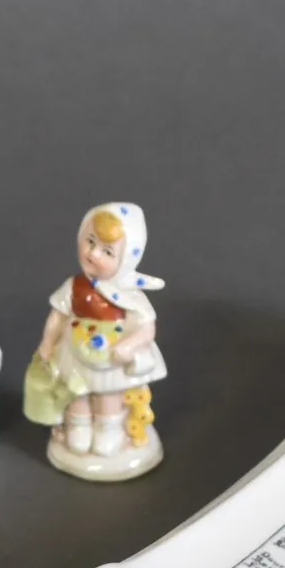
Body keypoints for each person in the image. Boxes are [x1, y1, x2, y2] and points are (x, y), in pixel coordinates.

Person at [33, 202, 167, 476]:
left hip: (111, 358)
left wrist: (129, 346)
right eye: (90, 241)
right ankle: (79, 426)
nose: (93, 254)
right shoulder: (74, 286)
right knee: (75, 392)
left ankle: (108, 430)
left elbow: (146, 328)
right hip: (74, 350)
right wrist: (47, 343)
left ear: (125, 259)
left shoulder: (128, 295)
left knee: (109, 395)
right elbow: (57, 317)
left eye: (107, 251)